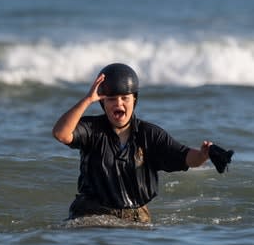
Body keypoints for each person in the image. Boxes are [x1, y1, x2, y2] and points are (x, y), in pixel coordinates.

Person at [52, 62, 212, 223]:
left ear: (134, 100)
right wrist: (87, 100)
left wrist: (203, 154)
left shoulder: (150, 134)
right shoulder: (91, 130)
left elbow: (186, 157)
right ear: (103, 103)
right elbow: (61, 134)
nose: (119, 103)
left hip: (136, 218)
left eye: (125, 98)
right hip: (91, 215)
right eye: (111, 99)